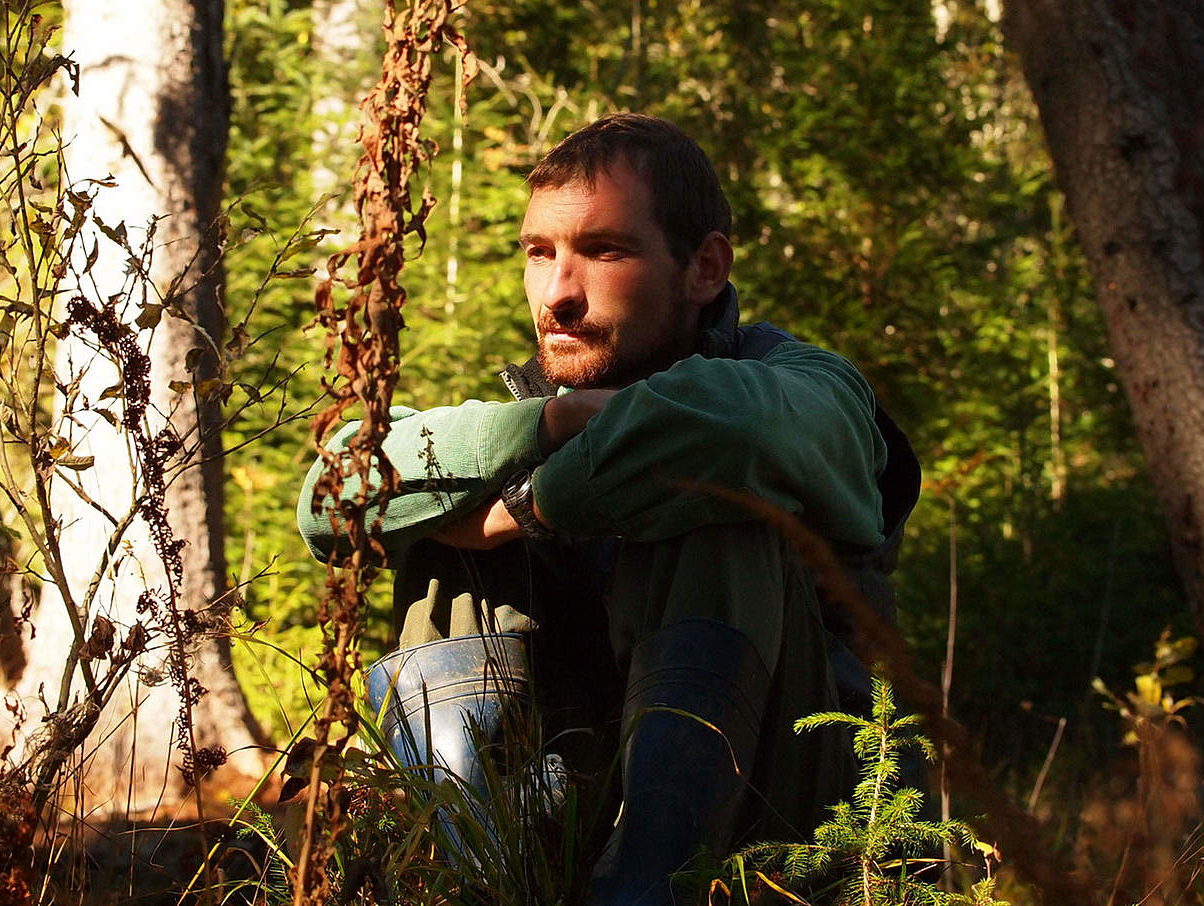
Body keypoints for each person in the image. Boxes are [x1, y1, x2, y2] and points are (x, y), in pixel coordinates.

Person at [297, 113, 920, 905]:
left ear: (704, 267)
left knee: (705, 503)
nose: (557, 294)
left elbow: (724, 427)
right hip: (571, 803)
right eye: (538, 254)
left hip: (794, 837)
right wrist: (550, 422)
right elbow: (329, 494)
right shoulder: (530, 417)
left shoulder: (805, 384)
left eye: (605, 250)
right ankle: (482, 882)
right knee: (436, 537)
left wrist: (524, 509)